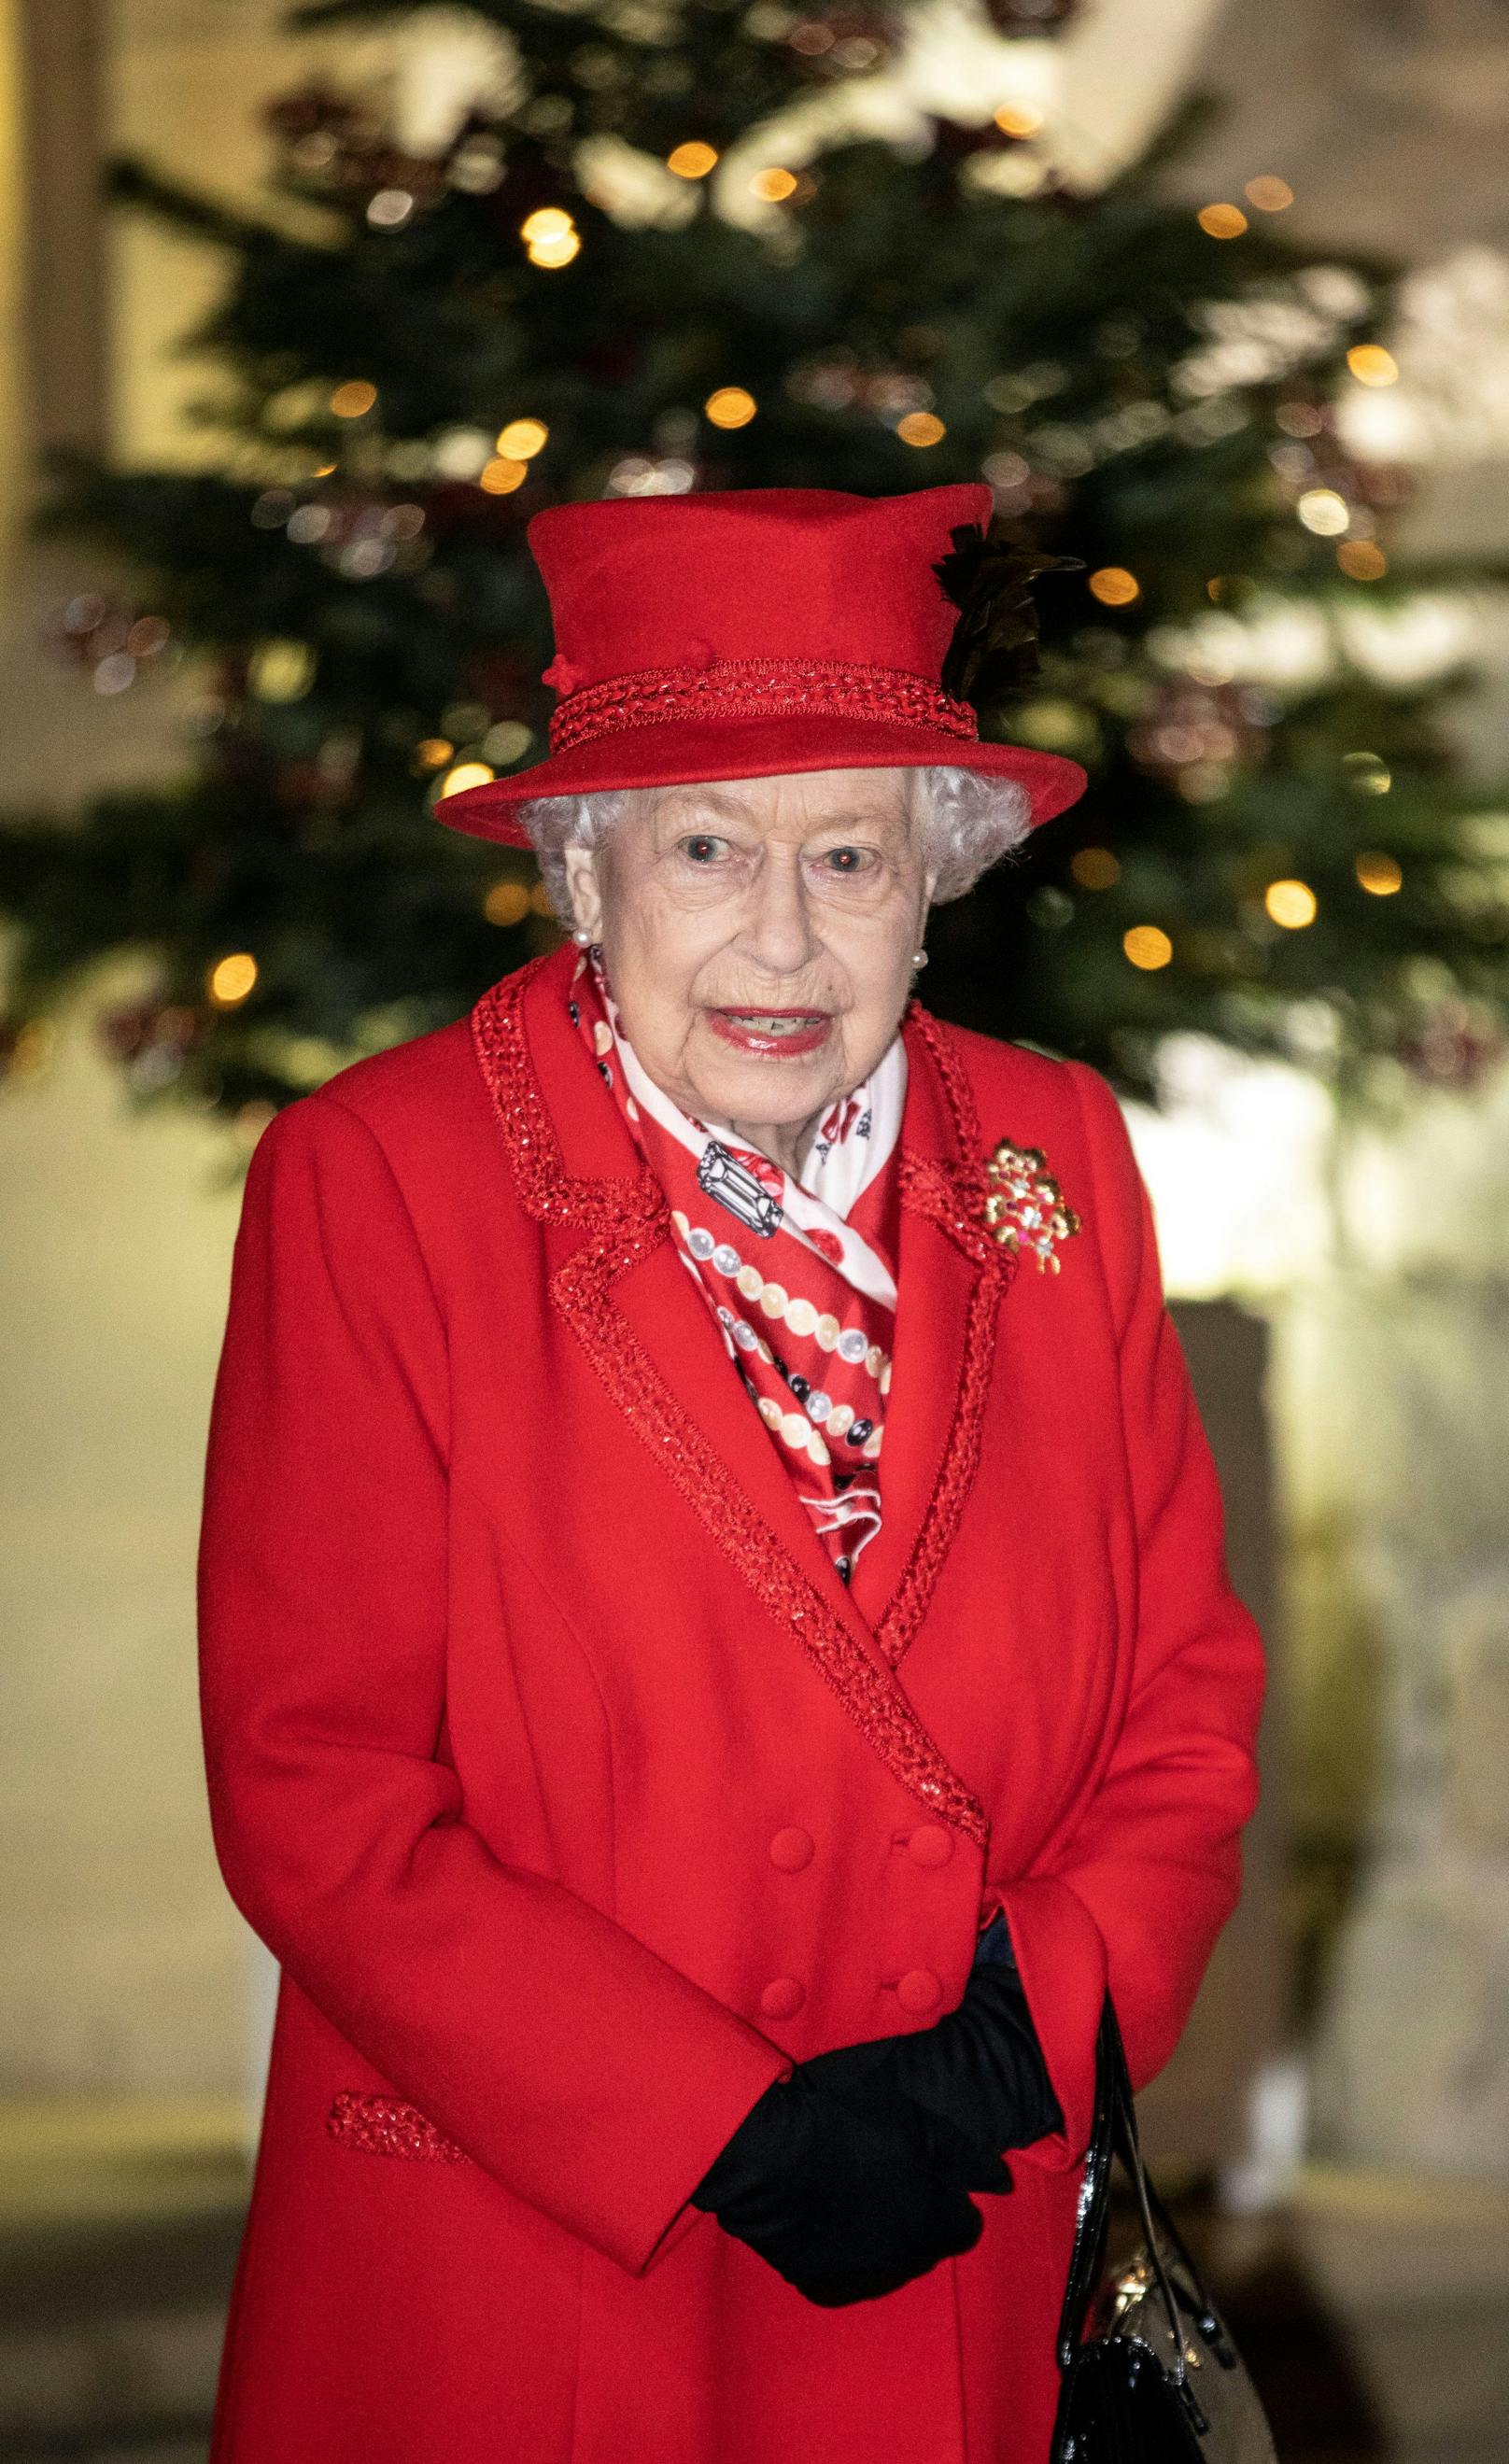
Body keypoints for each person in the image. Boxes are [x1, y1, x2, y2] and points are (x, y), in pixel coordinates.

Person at [197, 481, 1265, 2464]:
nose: (782, 939)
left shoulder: (1059, 1159)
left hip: (964, 2214)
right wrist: (721, 2123)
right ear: (583, 878)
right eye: (705, 848)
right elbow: (314, 1782)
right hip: (541, 2246)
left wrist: (1026, 2034)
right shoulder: (380, 1181)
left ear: (931, 879)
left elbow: (1184, 1707)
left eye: (849, 855)